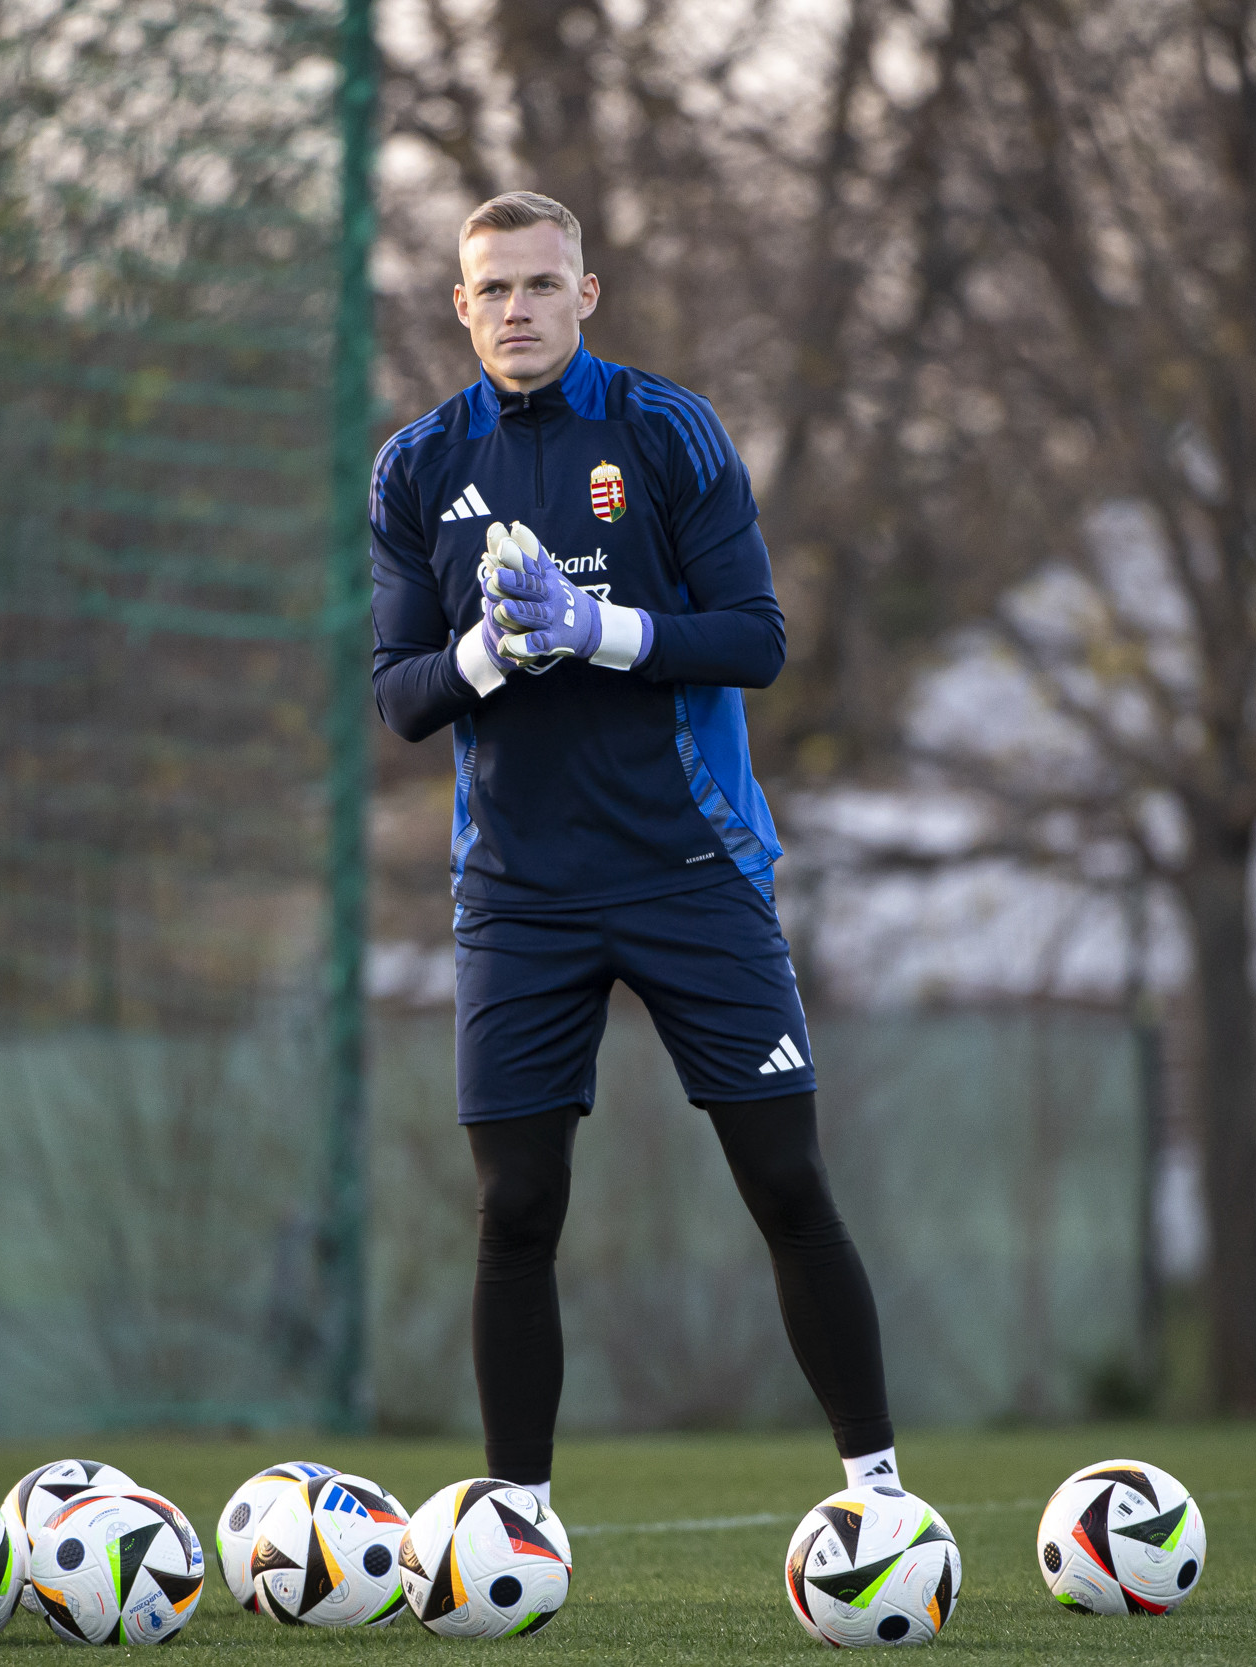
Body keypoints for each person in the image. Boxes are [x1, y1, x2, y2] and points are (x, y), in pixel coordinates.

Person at [367, 191, 896, 1511]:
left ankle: (880, 1495)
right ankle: (516, 1524)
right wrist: (493, 650)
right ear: (460, 307)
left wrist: (595, 630)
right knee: (516, 1208)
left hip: (691, 869)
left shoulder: (667, 429)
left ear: (586, 294)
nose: (518, 309)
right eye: (494, 289)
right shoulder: (416, 466)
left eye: (542, 284)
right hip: (519, 895)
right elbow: (399, 694)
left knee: (786, 1178)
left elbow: (756, 639)